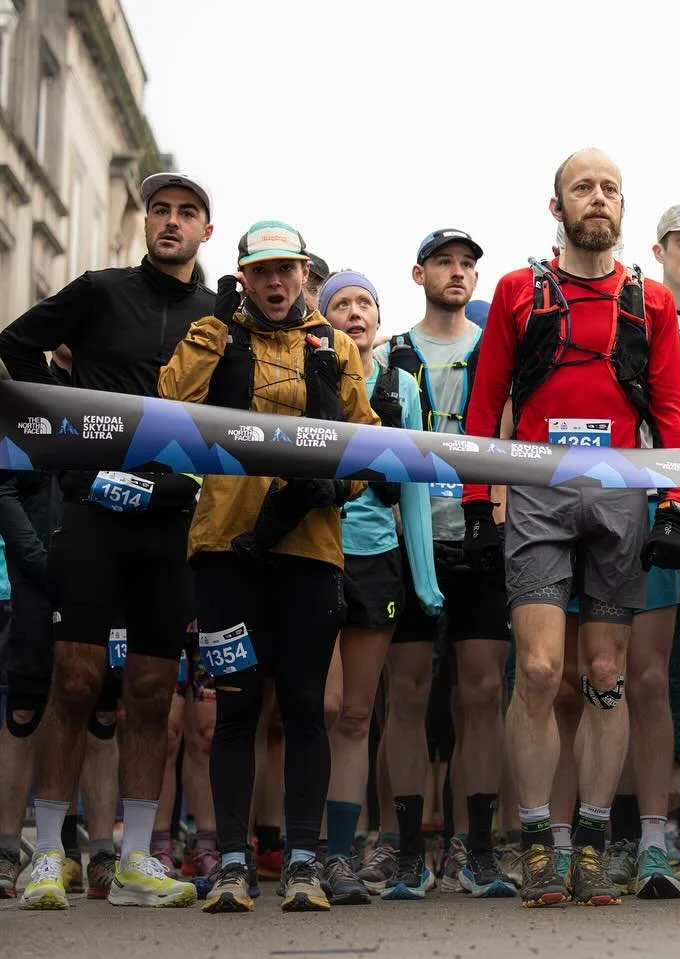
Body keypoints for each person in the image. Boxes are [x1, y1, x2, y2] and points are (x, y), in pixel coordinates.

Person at [461, 148, 680, 906]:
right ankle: (536, 843)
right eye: (584, 187)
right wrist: (473, 504)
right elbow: (483, 402)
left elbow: (669, 409)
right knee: (536, 670)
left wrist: (676, 505)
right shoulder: (517, 290)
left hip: (621, 496)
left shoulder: (650, 300)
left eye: (612, 188)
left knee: (604, 675)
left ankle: (589, 846)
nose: (599, 198)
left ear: (623, 210)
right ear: (556, 207)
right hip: (536, 491)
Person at [0, 172, 215, 910]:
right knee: (77, 679)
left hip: (170, 519)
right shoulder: (98, 290)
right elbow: (17, 346)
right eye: (160, 209)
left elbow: (235, 415)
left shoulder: (218, 316)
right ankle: (47, 857)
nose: (171, 221)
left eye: (187, 213)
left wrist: (189, 489)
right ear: (145, 222)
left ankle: (132, 860)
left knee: (153, 692)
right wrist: (64, 449)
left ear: (205, 233)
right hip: (91, 507)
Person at [158, 219, 380, 913]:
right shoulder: (216, 332)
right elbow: (168, 407)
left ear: (306, 275)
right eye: (263, 271)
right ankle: (230, 862)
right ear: (243, 276)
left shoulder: (335, 345)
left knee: (308, 707)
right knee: (236, 708)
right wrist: (212, 327)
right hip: (227, 548)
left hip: (311, 552)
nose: (277, 282)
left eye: (289, 270)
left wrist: (335, 486)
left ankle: (305, 862)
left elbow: (370, 445)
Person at [371, 228, 513, 900]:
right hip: (407, 542)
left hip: (482, 540)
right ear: (418, 272)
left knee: (482, 693)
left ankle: (478, 851)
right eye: (444, 262)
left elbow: (515, 432)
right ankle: (407, 853)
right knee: (405, 692)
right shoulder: (386, 353)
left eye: (467, 264)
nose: (457, 273)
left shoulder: (496, 352)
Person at [602, 203, 680, 900]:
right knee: (636, 678)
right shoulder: (633, 312)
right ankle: (632, 835)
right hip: (641, 509)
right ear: (659, 250)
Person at [317, 271, 449, 903]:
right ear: (324, 320)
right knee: (317, 709)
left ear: (377, 316)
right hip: (309, 554)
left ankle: (339, 856)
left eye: (363, 303)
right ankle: (303, 848)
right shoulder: (309, 372)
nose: (353, 313)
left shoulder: (402, 384)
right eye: (339, 304)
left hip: (377, 557)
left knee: (355, 714)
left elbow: (417, 488)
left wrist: (424, 576)